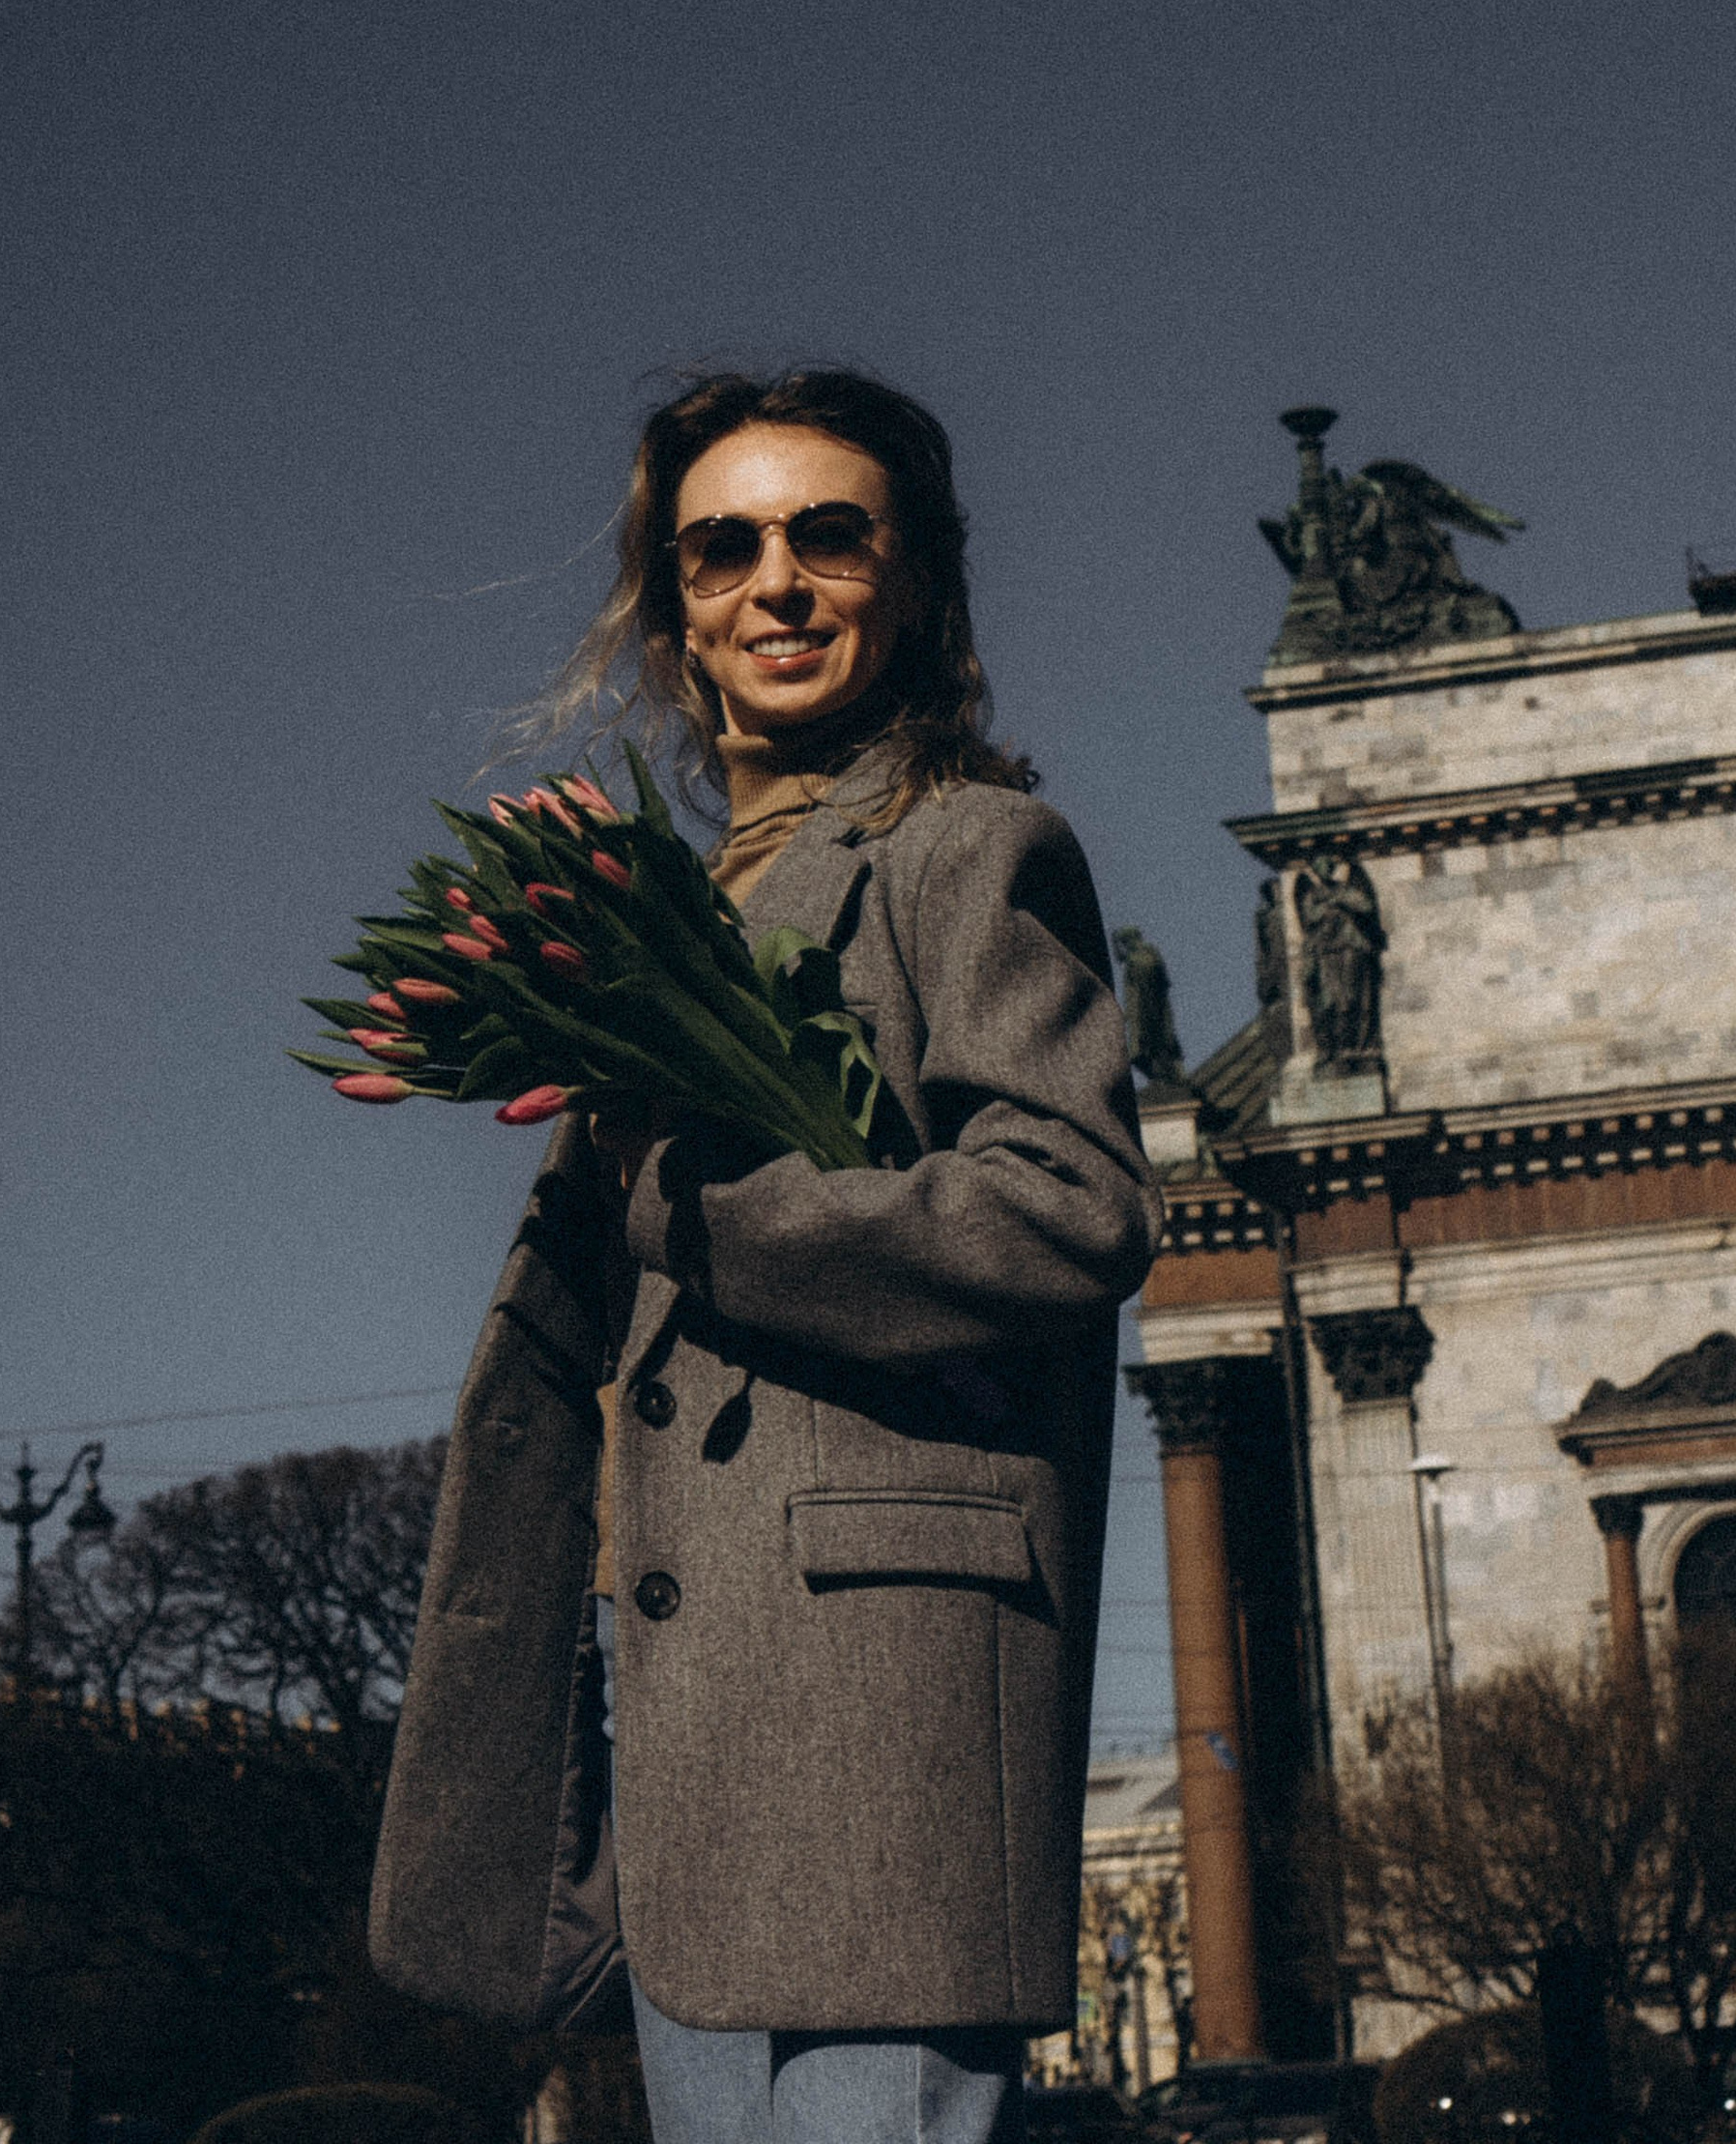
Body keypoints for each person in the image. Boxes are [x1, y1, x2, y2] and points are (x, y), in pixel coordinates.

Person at [369, 368, 1158, 2144]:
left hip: (882, 1717)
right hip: (695, 1719)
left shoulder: (969, 849)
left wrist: (699, 1208)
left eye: (829, 535)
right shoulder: (676, 905)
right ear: (675, 614)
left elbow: (1068, 1207)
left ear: (920, 580)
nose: (775, 583)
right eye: (721, 548)